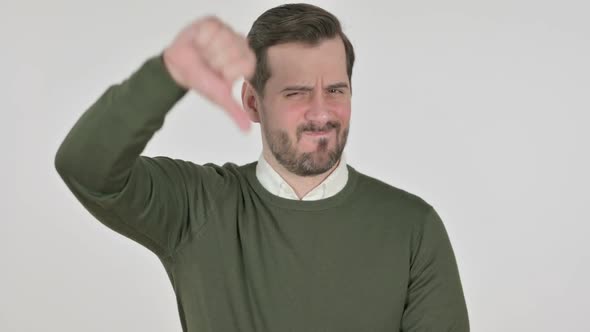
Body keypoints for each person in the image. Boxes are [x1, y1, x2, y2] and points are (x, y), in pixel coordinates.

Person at [54, 3, 469, 331]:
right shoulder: (197, 207)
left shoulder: (412, 226)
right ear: (253, 102)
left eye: (336, 90)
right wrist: (168, 74)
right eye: (297, 92)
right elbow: (85, 167)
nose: (322, 112)